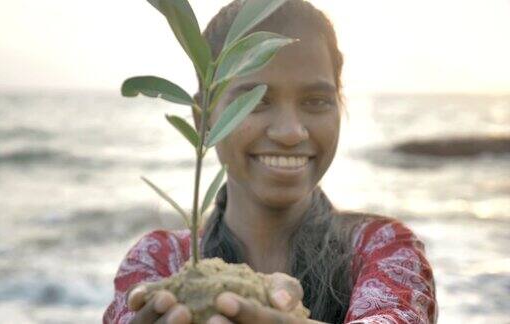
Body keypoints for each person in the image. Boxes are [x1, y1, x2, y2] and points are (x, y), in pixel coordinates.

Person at [103, 1, 437, 323]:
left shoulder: (381, 247)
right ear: (203, 117)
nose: (290, 131)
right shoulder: (158, 260)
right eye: (255, 100)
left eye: (316, 101)